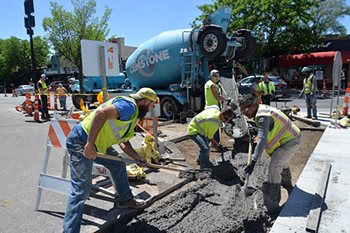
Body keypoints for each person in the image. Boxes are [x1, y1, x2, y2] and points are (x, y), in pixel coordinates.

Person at [63, 87, 159, 233]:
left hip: (99, 144)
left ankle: (126, 200)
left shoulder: (133, 116)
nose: (152, 108)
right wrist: (89, 145)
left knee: (118, 164)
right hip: (82, 141)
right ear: (145, 100)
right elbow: (101, 113)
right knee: (81, 191)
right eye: (153, 104)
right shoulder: (129, 106)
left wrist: (139, 159)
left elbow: (124, 143)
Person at [239, 94, 301, 214]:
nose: (244, 112)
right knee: (281, 160)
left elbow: (262, 140)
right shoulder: (261, 110)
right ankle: (287, 183)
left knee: (274, 167)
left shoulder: (262, 116)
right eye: (241, 110)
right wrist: (256, 130)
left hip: (291, 140)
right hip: (287, 139)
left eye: (245, 108)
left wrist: (253, 160)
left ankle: (272, 205)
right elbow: (268, 128)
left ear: (253, 105)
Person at [204, 69, 229, 144]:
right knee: (218, 126)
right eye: (215, 76)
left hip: (209, 107)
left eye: (218, 76)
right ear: (211, 76)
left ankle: (211, 142)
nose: (217, 77)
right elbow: (217, 97)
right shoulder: (212, 85)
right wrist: (226, 99)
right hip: (212, 108)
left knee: (213, 126)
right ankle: (215, 143)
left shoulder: (209, 83)